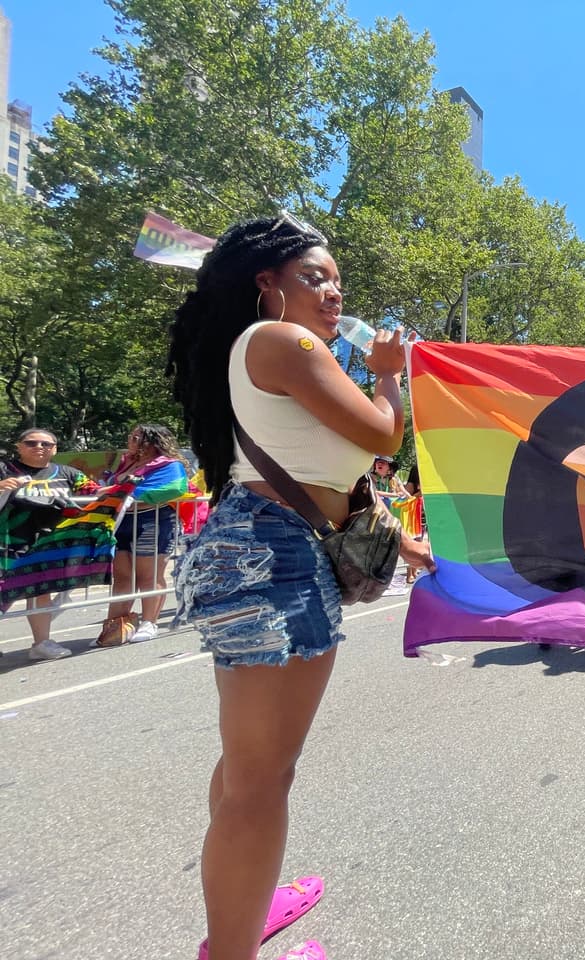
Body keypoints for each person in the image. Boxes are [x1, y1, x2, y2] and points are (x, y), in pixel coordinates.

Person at [167, 213, 435, 960]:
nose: (330, 291)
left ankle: (243, 905)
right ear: (267, 282)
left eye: (336, 280)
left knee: (245, 766)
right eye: (313, 276)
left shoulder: (270, 352)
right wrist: (388, 371)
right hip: (273, 561)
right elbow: (384, 437)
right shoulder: (284, 341)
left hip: (266, 550)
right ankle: (233, 947)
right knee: (261, 780)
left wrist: (404, 543)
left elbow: (333, 476)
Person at [0, 428, 99, 659]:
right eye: (31, 442)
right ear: (19, 446)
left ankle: (41, 643)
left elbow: (96, 492)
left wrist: (128, 489)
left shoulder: (66, 472)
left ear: (55, 449)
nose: (39, 447)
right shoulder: (4, 469)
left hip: (47, 545)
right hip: (6, 542)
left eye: (46, 444)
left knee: (40, 592)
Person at [96, 423, 191, 646]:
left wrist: (124, 493)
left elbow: (176, 488)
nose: (132, 440)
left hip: (153, 520)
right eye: (132, 436)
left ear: (154, 441)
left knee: (149, 575)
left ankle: (149, 622)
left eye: (138, 437)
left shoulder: (169, 465)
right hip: (122, 521)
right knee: (122, 577)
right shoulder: (126, 463)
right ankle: (115, 624)